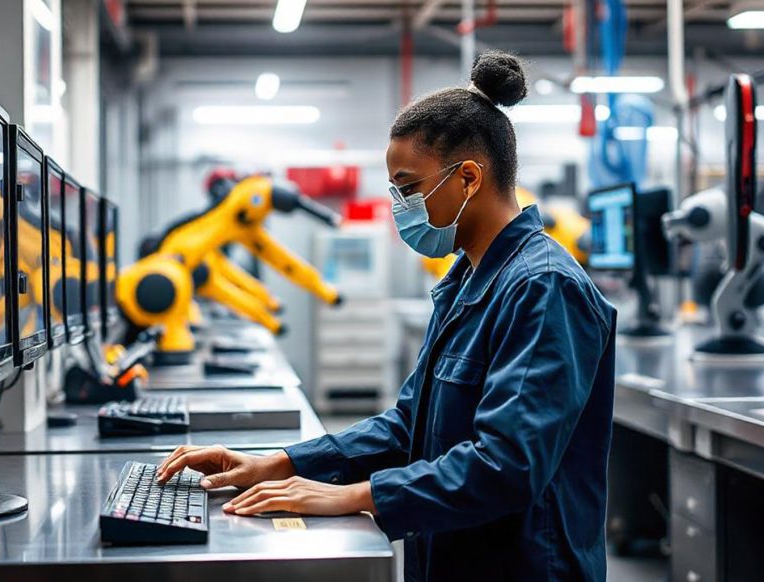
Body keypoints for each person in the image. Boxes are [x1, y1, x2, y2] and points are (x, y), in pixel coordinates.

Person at [157, 50, 617, 582]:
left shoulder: (543, 288)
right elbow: (407, 425)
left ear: (468, 177)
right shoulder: (467, 281)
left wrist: (355, 496)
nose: (399, 205)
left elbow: (508, 465)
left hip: (523, 567)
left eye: (408, 187)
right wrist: (282, 463)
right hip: (451, 556)